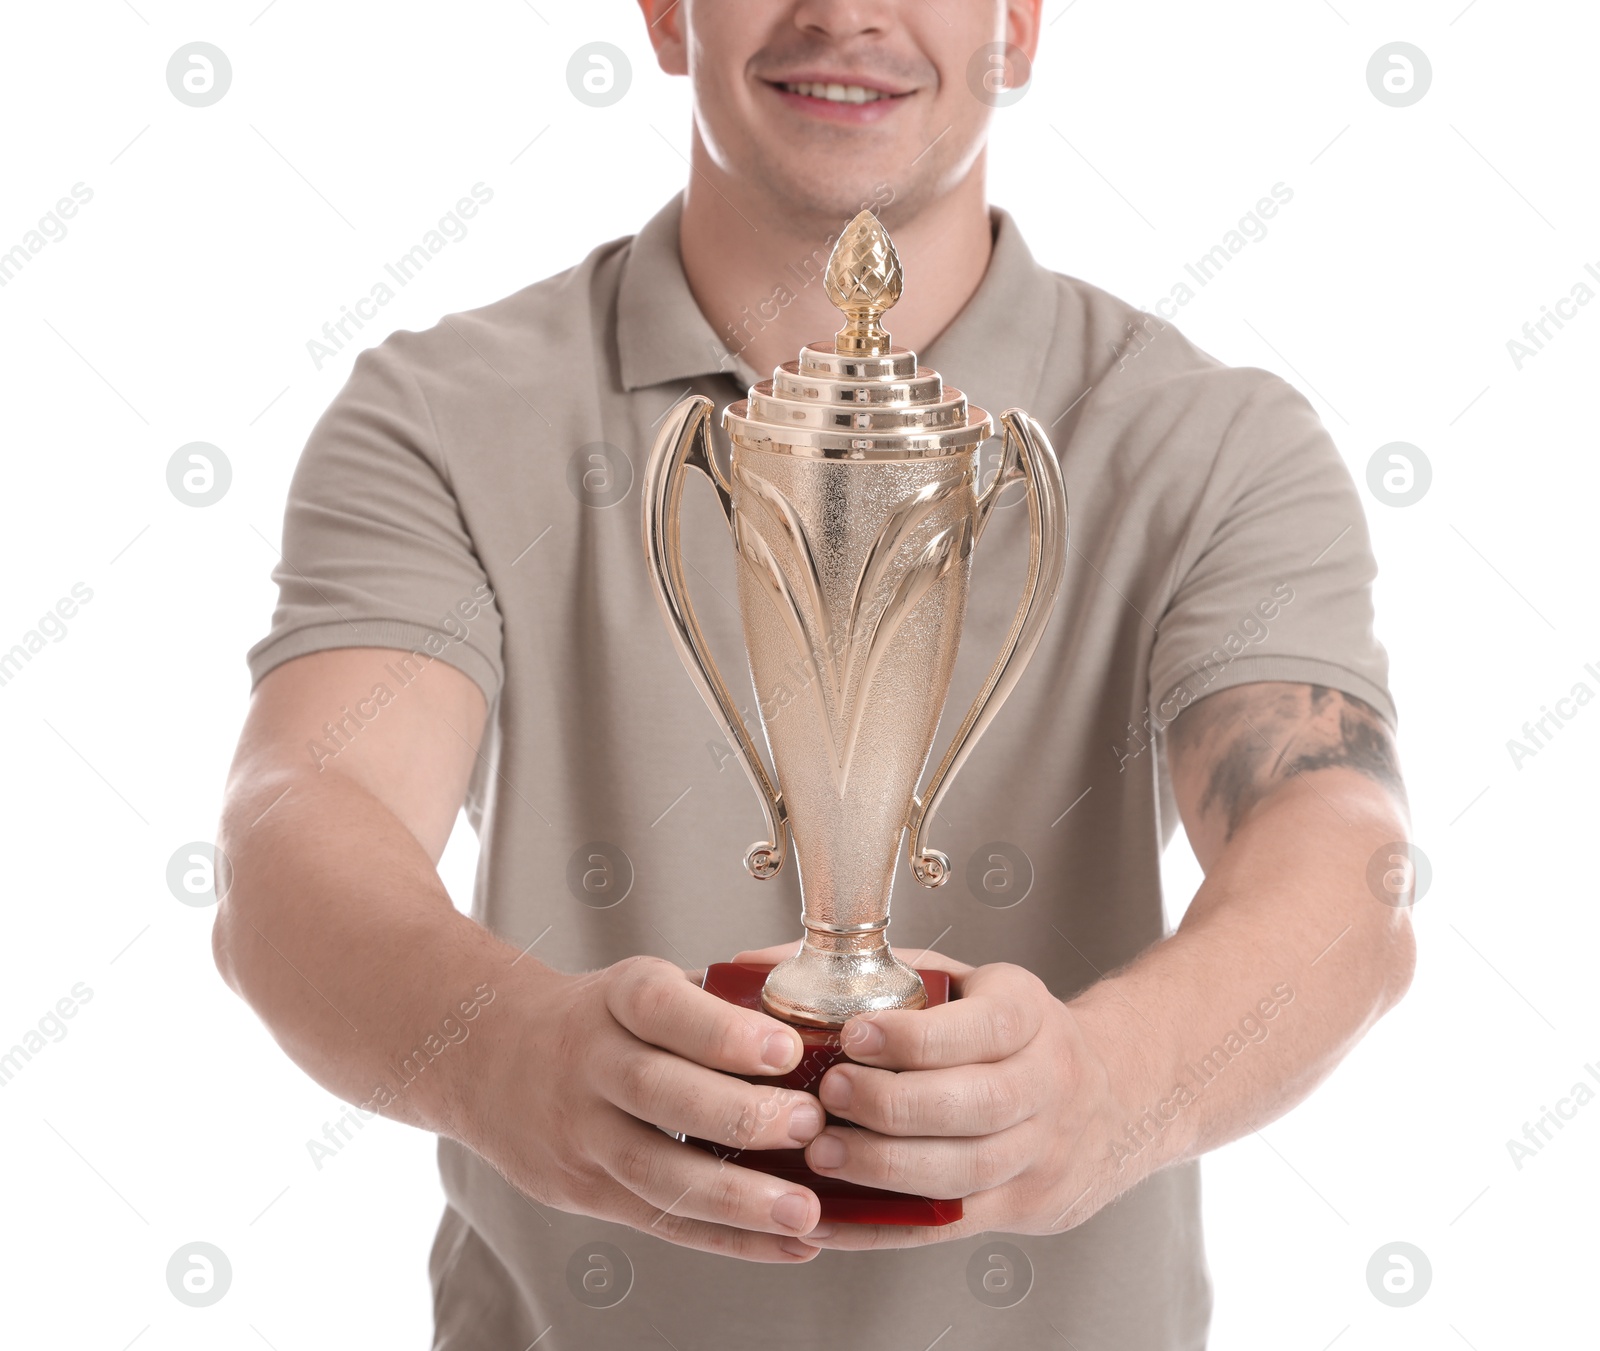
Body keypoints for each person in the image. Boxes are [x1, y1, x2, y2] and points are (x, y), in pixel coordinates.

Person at [213, 2, 1416, 1347]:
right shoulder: (438, 416)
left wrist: (1110, 1084)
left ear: (1019, 21)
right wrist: (509, 1057)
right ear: (667, 15)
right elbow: (301, 825)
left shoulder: (1218, 443)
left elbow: (1338, 856)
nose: (846, 11)